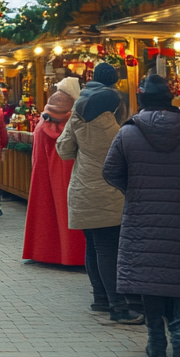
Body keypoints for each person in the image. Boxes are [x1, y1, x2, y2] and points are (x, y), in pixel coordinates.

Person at [103, 74, 180, 357]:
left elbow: (110, 171)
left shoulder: (128, 133)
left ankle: (156, 345)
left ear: (142, 100)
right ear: (171, 102)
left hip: (142, 219)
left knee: (150, 281)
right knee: (178, 281)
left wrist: (134, 192)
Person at [56, 62, 139, 324]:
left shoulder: (78, 114)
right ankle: (118, 306)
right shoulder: (118, 125)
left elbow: (64, 150)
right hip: (109, 191)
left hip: (82, 188)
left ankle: (100, 298)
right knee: (107, 247)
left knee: (93, 245)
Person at [22, 90, 86, 265]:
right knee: (71, 211)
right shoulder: (75, 123)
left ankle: (43, 253)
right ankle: (73, 255)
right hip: (71, 172)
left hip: (43, 174)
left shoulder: (42, 123)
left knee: (44, 210)